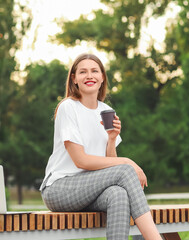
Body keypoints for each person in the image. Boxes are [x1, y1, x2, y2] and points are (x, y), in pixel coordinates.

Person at [40, 53, 161, 240]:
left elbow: (111, 166)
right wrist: (128, 161)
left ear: (102, 77)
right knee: (125, 170)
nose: (89, 76)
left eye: (95, 71)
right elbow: (81, 161)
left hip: (91, 188)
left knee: (118, 194)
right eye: (83, 72)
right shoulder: (68, 107)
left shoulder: (105, 111)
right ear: (74, 79)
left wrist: (112, 139)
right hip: (60, 189)